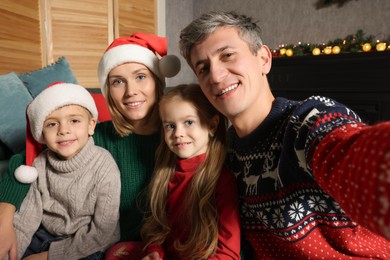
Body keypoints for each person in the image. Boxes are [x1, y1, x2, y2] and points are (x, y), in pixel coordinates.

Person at [179, 11, 390, 259]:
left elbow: (353, 154)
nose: (215, 76)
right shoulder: (225, 153)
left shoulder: (308, 121)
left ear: (263, 59)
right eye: (203, 68)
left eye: (227, 55)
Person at [0, 32, 180, 260]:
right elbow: (27, 159)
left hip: (142, 245)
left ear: (158, 80)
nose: (131, 91)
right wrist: (4, 218)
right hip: (92, 244)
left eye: (141, 77)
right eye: (117, 81)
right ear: (108, 90)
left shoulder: (179, 137)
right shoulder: (95, 136)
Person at [105, 84, 241, 259]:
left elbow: (228, 253)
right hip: (169, 255)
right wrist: (154, 251)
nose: (178, 133)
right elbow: (158, 229)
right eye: (170, 126)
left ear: (212, 125)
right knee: (116, 253)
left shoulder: (222, 181)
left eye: (189, 122)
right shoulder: (165, 173)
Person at [6, 82, 121, 260]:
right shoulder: (40, 164)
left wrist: (48, 257)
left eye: (74, 121)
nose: (63, 130)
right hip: (43, 236)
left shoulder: (104, 166)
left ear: (91, 126)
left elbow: (103, 232)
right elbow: (26, 221)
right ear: (42, 134)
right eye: (52, 124)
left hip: (88, 242)